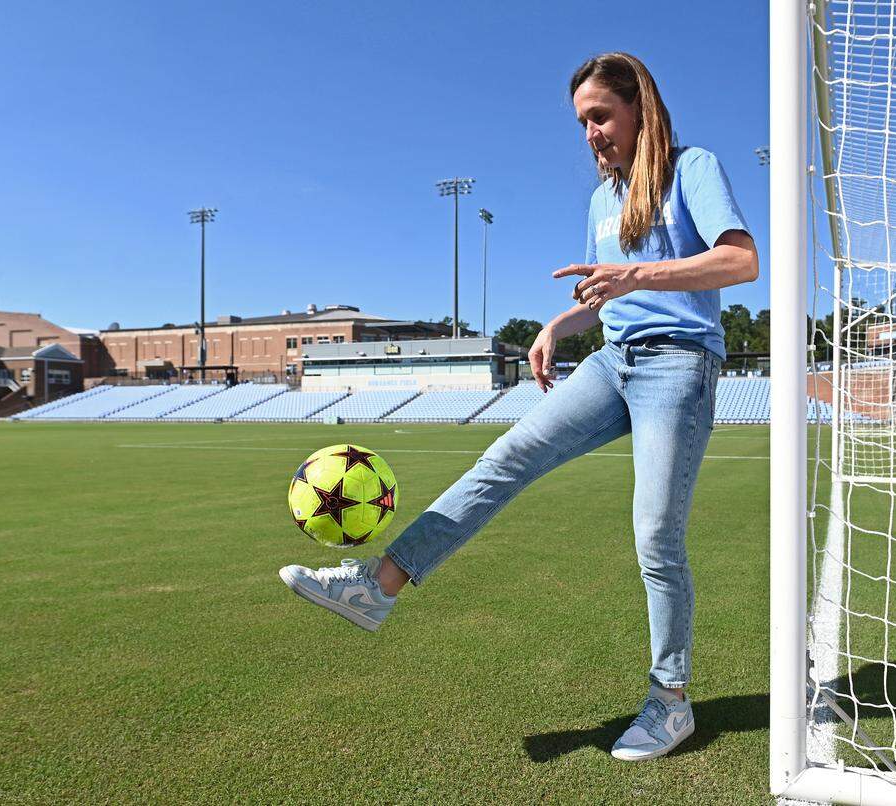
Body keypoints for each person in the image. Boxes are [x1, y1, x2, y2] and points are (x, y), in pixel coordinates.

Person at [279, 52, 758, 762]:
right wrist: (556, 327)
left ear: (638, 108)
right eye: (581, 123)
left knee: (655, 533)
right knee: (505, 458)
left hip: (678, 366)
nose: (591, 133)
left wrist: (635, 274)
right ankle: (377, 588)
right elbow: (605, 297)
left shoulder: (694, 168)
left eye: (600, 116)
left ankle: (670, 701)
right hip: (612, 363)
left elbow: (741, 261)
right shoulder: (603, 200)